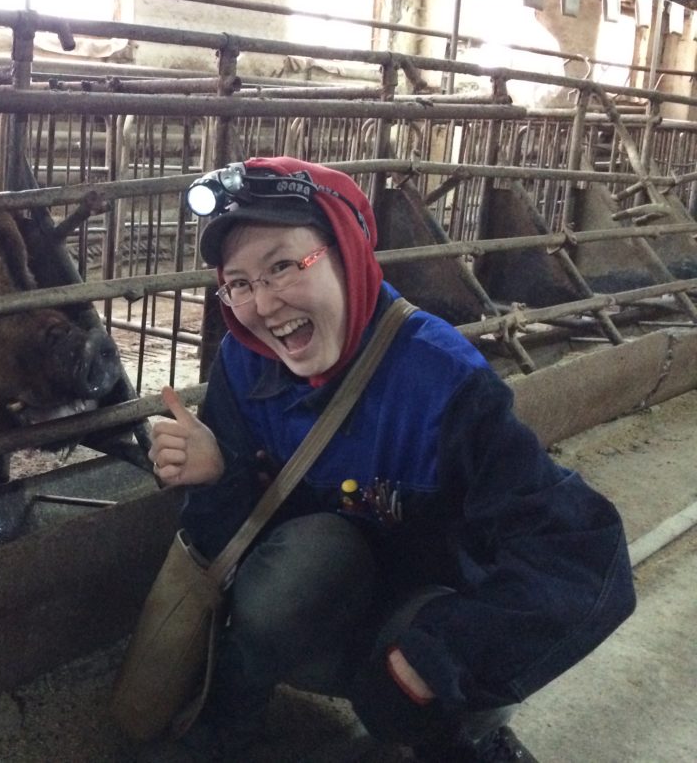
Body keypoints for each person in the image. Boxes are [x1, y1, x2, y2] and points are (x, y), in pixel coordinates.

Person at [147, 157, 636, 762]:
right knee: (297, 565)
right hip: (324, 613)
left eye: (282, 266)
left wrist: (437, 657)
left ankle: (462, 738)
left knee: (463, 689)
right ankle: (228, 723)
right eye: (240, 283)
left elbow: (584, 556)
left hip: (421, 620)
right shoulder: (246, 366)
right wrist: (216, 478)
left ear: (348, 252)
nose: (263, 304)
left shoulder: (441, 380)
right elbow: (234, 549)